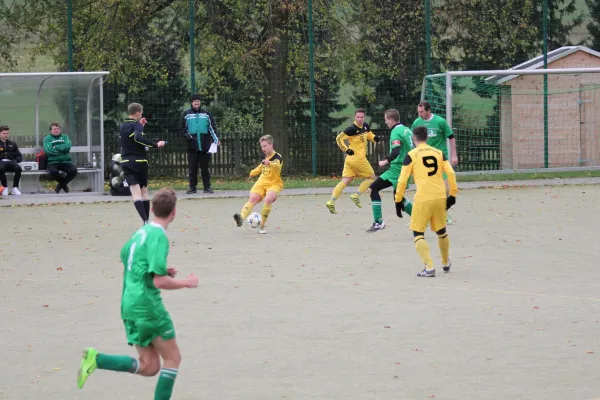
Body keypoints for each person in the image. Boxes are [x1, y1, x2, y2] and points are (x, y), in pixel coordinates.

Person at [76, 187, 199, 400]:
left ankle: (97, 359)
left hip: (129, 304)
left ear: (151, 209)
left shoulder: (140, 232)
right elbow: (159, 282)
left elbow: (127, 258)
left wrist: (158, 268)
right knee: (173, 358)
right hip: (147, 306)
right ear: (174, 213)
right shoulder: (159, 236)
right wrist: (186, 282)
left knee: (150, 366)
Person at [394, 126, 458, 277]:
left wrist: (398, 200)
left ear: (414, 139)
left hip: (423, 198)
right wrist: (453, 195)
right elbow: (450, 173)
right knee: (441, 231)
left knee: (418, 233)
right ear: (427, 138)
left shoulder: (411, 155)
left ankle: (429, 267)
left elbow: (402, 180)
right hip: (440, 196)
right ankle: (445, 262)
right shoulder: (439, 153)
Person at [366, 110, 414, 232]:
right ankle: (419, 218)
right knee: (398, 198)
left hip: (398, 169)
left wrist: (385, 161)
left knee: (373, 188)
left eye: (386, 119)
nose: (385, 122)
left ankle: (378, 222)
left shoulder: (396, 131)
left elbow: (396, 151)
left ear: (391, 120)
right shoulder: (407, 130)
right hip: (406, 168)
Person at [411, 100, 458, 224]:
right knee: (425, 189)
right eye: (418, 112)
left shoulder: (440, 121)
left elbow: (451, 137)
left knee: (445, 187)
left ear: (428, 110)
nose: (420, 114)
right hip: (423, 159)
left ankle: (443, 212)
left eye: (422, 112)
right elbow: (413, 139)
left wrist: (454, 155)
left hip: (440, 158)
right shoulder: (417, 122)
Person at [325, 109, 380, 214]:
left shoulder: (365, 126)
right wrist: (346, 149)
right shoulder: (351, 129)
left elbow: (369, 134)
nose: (360, 119)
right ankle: (356, 195)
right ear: (355, 117)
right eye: (358, 117)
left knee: (346, 180)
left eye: (361, 117)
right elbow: (338, 138)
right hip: (358, 159)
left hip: (349, 160)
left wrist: (374, 138)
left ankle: (331, 201)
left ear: (364, 117)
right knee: (372, 178)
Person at [119, 103, 166, 224]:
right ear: (138, 113)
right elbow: (137, 138)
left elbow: (132, 138)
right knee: (144, 191)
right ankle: (147, 221)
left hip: (126, 162)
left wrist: (141, 126)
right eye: (141, 112)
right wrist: (156, 145)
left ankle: (145, 221)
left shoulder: (122, 125)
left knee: (135, 194)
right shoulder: (136, 125)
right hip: (139, 162)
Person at [233, 135, 283, 234]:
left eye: (265, 146)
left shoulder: (278, 157)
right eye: (262, 146)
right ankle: (241, 218)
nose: (263, 148)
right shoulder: (263, 156)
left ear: (271, 145)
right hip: (261, 182)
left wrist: (270, 163)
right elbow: (261, 167)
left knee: (268, 198)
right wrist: (252, 172)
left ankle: (262, 226)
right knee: (252, 199)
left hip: (274, 183)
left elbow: (277, 167)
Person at [180, 94, 220, 194]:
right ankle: (192, 187)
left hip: (205, 145)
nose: (197, 103)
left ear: (200, 102)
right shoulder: (186, 114)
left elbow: (212, 127)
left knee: (205, 167)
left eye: (198, 101)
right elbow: (182, 129)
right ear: (191, 103)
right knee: (192, 167)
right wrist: (189, 137)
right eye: (195, 101)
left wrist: (216, 139)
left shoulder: (206, 114)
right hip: (192, 146)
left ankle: (207, 187)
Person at [43, 122, 78, 193]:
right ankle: (64, 185)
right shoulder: (47, 138)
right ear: (51, 130)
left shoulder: (65, 137)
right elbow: (48, 150)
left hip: (66, 161)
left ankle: (60, 185)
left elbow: (67, 147)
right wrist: (62, 151)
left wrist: (56, 147)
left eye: (57, 129)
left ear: (60, 130)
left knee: (73, 170)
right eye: (54, 129)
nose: (56, 130)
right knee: (53, 172)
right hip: (53, 161)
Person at [0, 125, 22, 196]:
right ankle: (5, 187)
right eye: (4, 133)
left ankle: (15, 188)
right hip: (1, 162)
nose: (6, 135)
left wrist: (15, 160)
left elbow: (19, 156)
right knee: (0, 168)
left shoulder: (12, 144)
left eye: (7, 133)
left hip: (11, 161)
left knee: (18, 168)